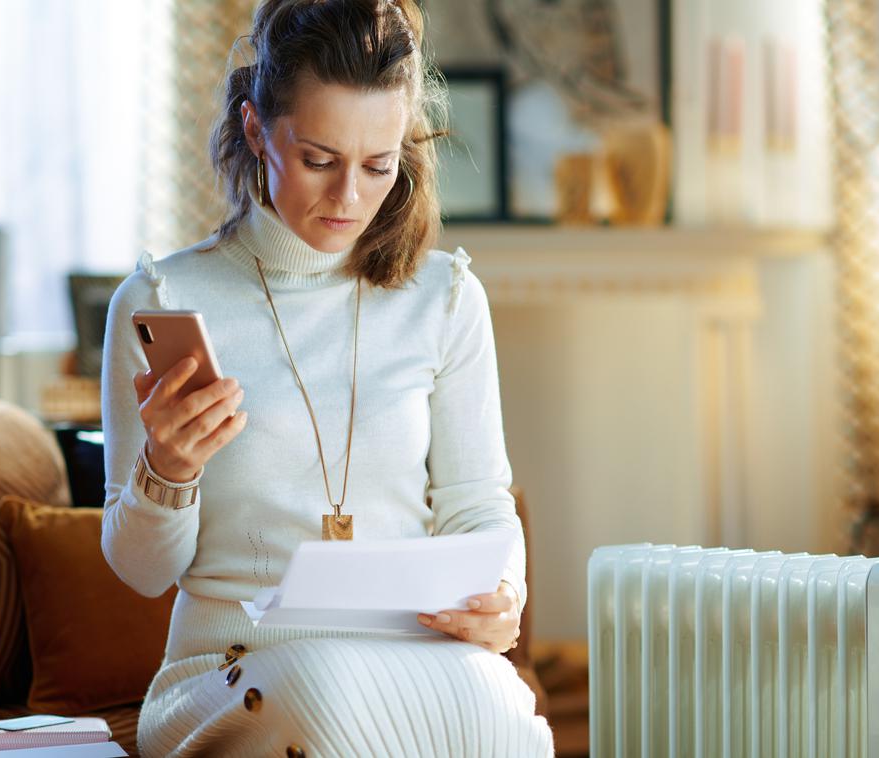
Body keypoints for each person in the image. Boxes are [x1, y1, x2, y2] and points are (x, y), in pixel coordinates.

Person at [99, 0, 554, 755]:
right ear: (255, 129)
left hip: (412, 660)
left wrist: (503, 595)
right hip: (232, 671)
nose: (349, 198)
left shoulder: (444, 298)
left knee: (506, 713)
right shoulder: (164, 302)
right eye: (318, 160)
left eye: (378, 166)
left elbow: (481, 508)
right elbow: (143, 573)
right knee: (324, 692)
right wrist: (166, 471)